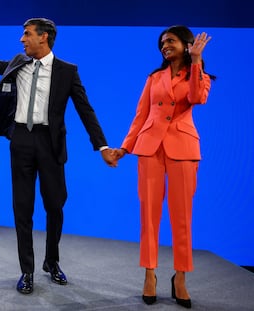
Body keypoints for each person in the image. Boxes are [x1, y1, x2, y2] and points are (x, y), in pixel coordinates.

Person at [0, 18, 117, 295]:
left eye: (27, 34)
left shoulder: (67, 71)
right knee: (22, 207)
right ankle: (26, 271)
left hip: (51, 144)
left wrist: (101, 146)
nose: (21, 39)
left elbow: (85, 110)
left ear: (45, 37)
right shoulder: (19, 63)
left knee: (55, 206)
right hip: (21, 141)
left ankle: (51, 262)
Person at [115, 25, 215, 308]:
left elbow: (197, 98)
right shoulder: (154, 77)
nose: (164, 46)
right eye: (161, 43)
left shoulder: (199, 75)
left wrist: (196, 62)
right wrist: (125, 147)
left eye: (170, 41)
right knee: (149, 215)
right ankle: (149, 274)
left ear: (187, 44)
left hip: (183, 149)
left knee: (181, 217)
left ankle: (180, 277)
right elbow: (140, 115)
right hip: (149, 149)